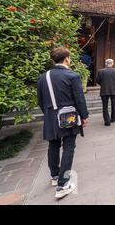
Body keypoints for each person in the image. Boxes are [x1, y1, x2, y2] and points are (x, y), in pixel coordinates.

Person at [37, 47, 89, 199]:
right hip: (68, 116)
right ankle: (63, 184)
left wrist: (49, 113)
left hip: (50, 115)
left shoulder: (43, 77)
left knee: (53, 145)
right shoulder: (72, 75)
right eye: (70, 57)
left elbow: (40, 100)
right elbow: (79, 98)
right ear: (66, 59)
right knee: (68, 147)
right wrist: (84, 116)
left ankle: (54, 175)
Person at [96, 59, 115, 126]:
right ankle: (113, 118)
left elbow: (98, 81)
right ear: (112, 63)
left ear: (105, 63)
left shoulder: (100, 71)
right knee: (114, 104)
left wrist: (103, 84)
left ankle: (107, 121)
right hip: (113, 90)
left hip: (104, 90)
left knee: (105, 106)